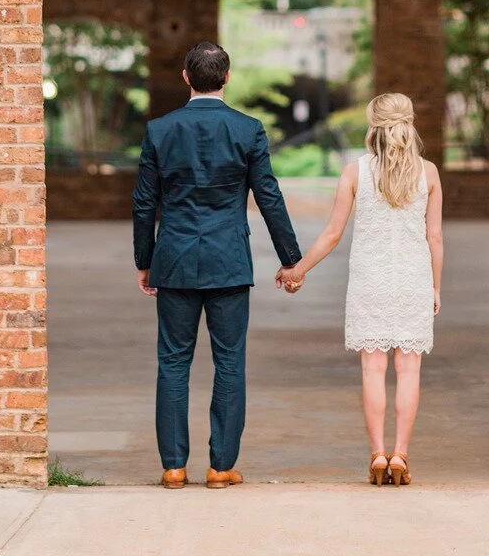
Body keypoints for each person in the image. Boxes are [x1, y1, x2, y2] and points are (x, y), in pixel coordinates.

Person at [133, 40, 301, 489]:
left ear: (186, 78)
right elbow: (269, 196)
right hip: (228, 260)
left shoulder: (159, 131)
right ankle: (221, 467)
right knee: (229, 363)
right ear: (226, 78)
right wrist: (291, 259)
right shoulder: (248, 130)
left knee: (172, 362)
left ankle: (172, 466)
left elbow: (144, 203)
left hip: (175, 259)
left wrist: (144, 260)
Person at [279, 92, 443, 487]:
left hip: (369, 280)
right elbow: (434, 237)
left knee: (373, 369)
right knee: (409, 369)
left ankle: (378, 453)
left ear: (374, 125)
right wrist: (435, 286)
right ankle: (400, 455)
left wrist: (296, 270)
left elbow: (333, 234)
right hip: (413, 279)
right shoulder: (429, 173)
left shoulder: (355, 172)